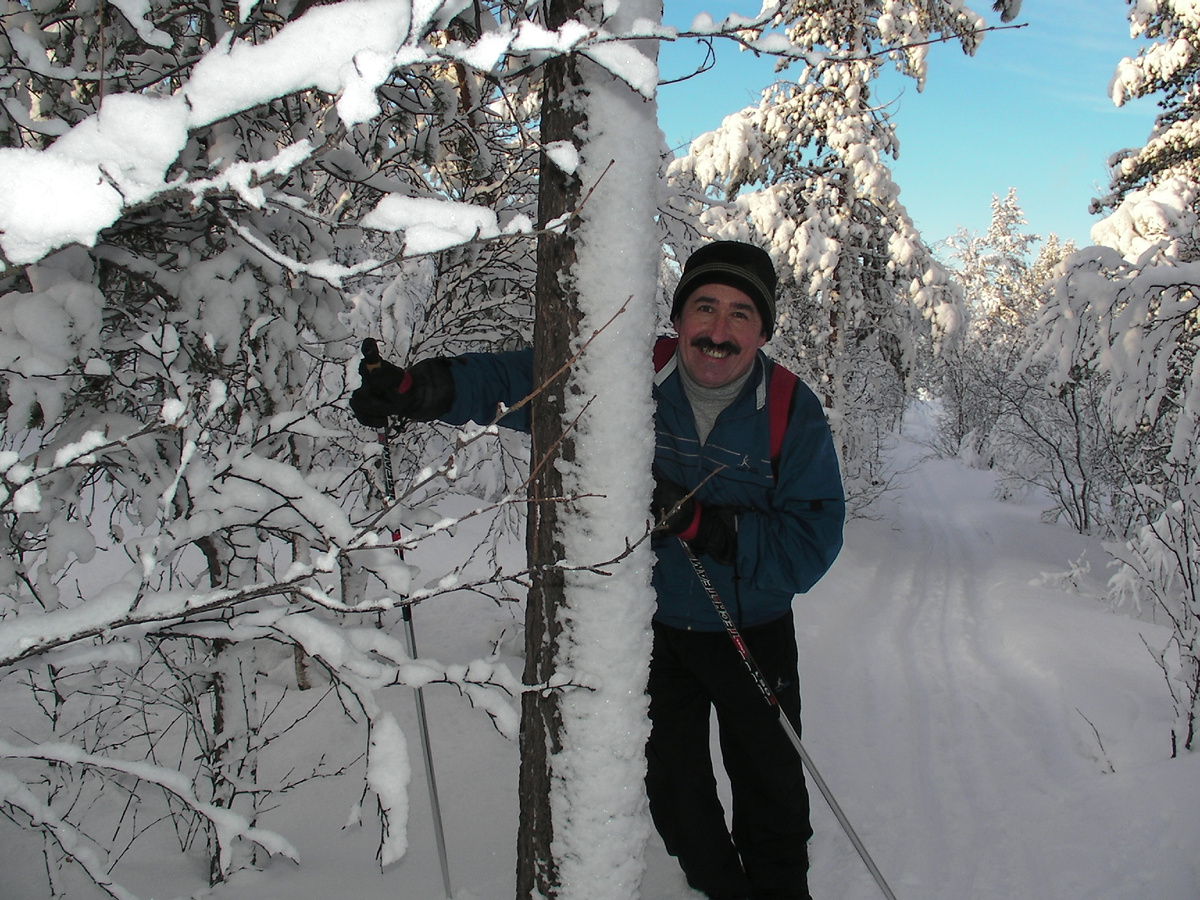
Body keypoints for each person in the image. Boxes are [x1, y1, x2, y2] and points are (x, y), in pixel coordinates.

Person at [350, 241, 846, 900]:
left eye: (740, 315)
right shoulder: (630, 372)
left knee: (772, 795)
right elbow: (525, 383)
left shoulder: (790, 409)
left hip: (751, 633)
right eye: (704, 308)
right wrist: (427, 389)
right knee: (675, 797)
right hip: (653, 631)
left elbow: (811, 544)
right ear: (679, 316)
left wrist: (707, 527)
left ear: (762, 330)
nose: (719, 332)